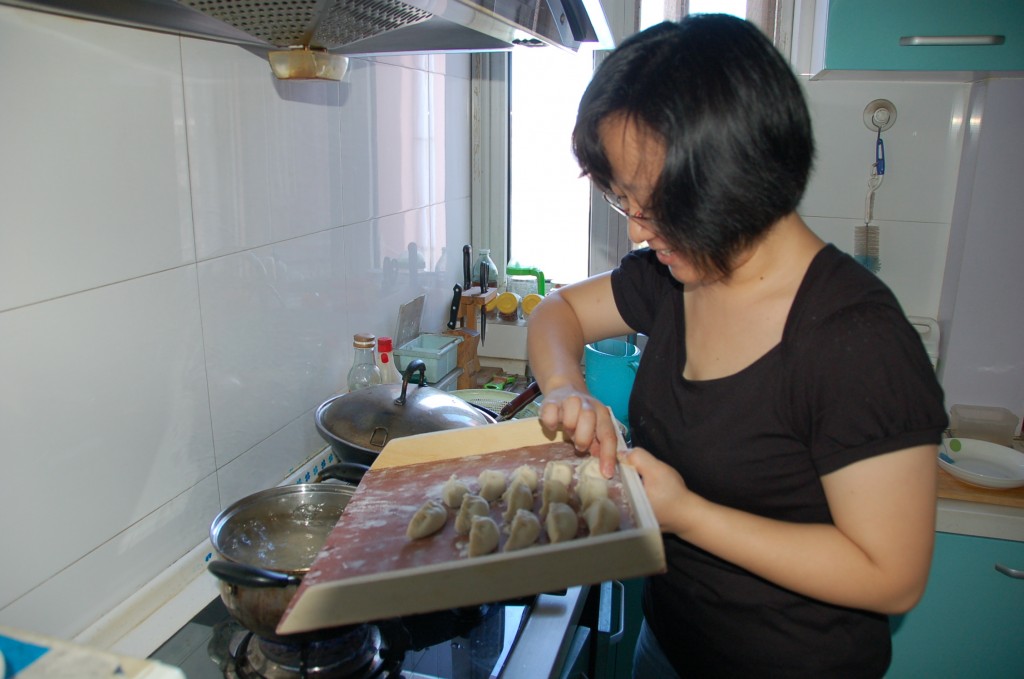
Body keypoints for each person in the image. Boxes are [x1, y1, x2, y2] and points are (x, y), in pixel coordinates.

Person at [526, 15, 947, 678]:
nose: (637, 229)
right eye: (623, 200)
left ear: (736, 176)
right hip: (667, 644)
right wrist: (565, 386)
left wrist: (686, 513)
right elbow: (558, 310)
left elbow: (890, 575)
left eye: (655, 200)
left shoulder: (856, 340)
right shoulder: (680, 272)